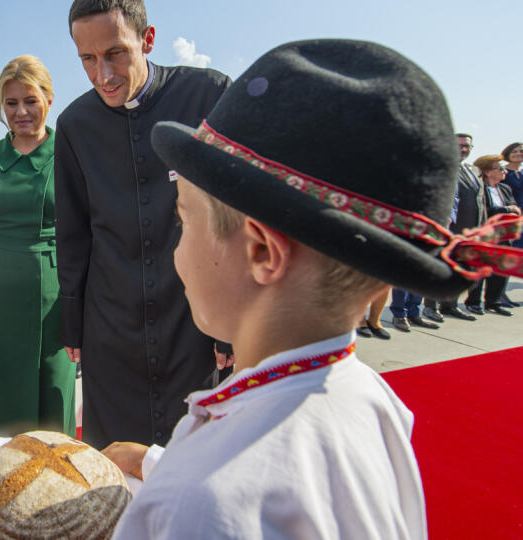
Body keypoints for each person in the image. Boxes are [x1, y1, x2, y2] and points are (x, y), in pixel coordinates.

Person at [102, 38, 523, 539]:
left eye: (183, 218)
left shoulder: (202, 505)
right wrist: (159, 463)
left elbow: (218, 506)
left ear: (261, 251)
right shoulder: (369, 399)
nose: (176, 248)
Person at [55, 0, 232, 451]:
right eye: (87, 60)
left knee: (195, 450)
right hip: (109, 319)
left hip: (192, 313)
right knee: (113, 462)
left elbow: (238, 213)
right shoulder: (74, 125)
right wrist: (72, 323)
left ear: (147, 40)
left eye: (115, 53)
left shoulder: (209, 95)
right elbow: (73, 231)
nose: (103, 75)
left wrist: (232, 318)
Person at [0, 55, 75, 441]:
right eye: (11, 103)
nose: (21, 112)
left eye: (30, 101)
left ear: (49, 100)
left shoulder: (71, 153)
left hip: (52, 291)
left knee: (52, 389)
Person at [464, 155, 520, 316]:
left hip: (504, 235)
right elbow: (484, 210)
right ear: (487, 171)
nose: (504, 171)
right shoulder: (480, 189)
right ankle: (474, 302)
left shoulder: (504, 188)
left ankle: (494, 301)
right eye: (499, 168)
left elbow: (514, 205)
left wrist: (513, 210)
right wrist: (507, 209)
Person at [438, 133, 485, 321]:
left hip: (471, 230)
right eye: (459, 146)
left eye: (467, 146)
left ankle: (450, 305)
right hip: (451, 229)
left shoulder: (471, 170)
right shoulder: (443, 168)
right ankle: (431, 307)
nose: (463, 149)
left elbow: (479, 200)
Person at [501, 142, 523, 250]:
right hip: (511, 215)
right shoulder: (502, 171)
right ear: (508, 154)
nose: (518, 154)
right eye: (514, 151)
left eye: (521, 151)